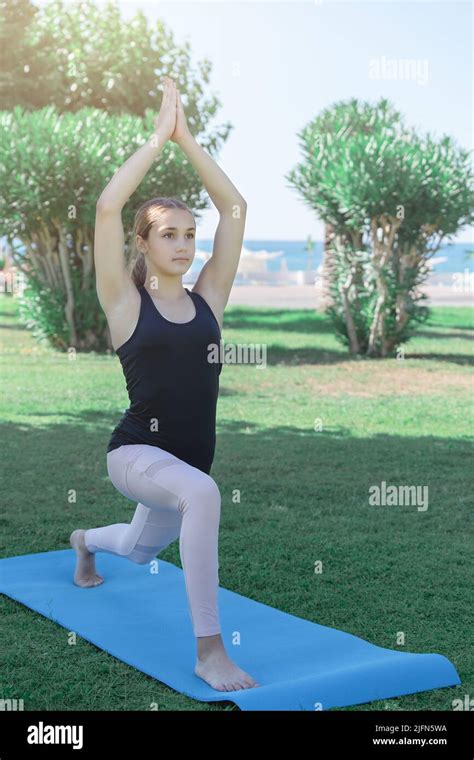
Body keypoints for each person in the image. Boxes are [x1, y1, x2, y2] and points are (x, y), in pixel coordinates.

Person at [70, 77, 259, 692]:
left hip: (182, 465)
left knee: (136, 547)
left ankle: (83, 543)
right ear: (143, 243)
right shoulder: (125, 303)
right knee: (202, 495)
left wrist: (189, 140)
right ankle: (210, 651)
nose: (182, 245)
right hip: (135, 454)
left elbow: (235, 209)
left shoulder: (210, 300)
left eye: (188, 235)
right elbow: (105, 207)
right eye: (168, 234)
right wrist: (157, 140)